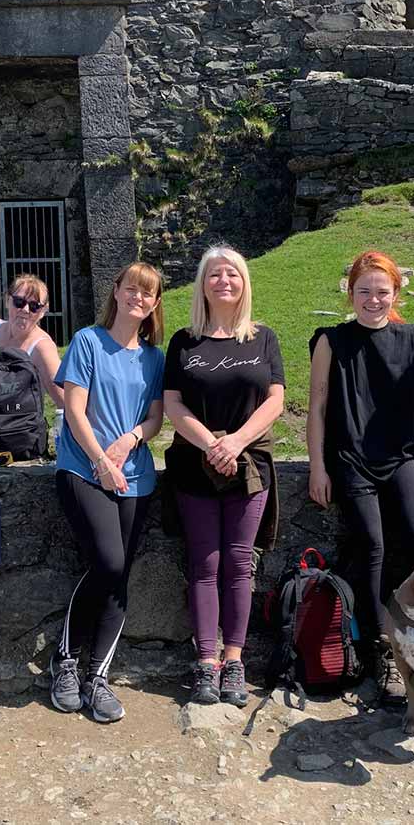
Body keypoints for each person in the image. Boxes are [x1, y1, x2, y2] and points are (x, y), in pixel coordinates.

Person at [307, 250, 414, 701]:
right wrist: (318, 466)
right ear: (351, 293)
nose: (373, 299)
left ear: (395, 293)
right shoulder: (331, 340)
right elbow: (319, 408)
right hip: (351, 457)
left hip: (399, 455)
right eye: (364, 291)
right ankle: (378, 646)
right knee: (373, 545)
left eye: (382, 291)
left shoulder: (412, 338)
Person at [164, 245, 285, 709]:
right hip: (195, 463)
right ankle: (206, 663)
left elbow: (274, 401)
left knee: (238, 563)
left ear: (243, 282)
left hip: (249, 463)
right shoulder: (184, 341)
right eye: (215, 274)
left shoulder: (263, 338)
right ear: (202, 284)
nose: (224, 282)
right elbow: (173, 405)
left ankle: (234, 660)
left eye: (232, 274)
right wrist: (211, 444)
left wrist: (233, 442)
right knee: (204, 563)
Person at [48, 262, 166, 723]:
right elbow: (74, 409)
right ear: (115, 291)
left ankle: (96, 676)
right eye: (130, 288)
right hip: (82, 469)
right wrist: (99, 458)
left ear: (155, 304)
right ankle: (66, 661)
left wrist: (131, 439)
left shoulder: (154, 358)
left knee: (118, 578)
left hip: (135, 476)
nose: (137, 297)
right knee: (109, 563)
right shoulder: (87, 341)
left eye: (147, 293)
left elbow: (156, 417)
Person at [0, 273, 63, 458]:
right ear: (7, 301)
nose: (25, 310)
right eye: (19, 302)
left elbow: (65, 400)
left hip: (17, 436)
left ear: (44, 311)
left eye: (35, 306)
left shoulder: (42, 347)